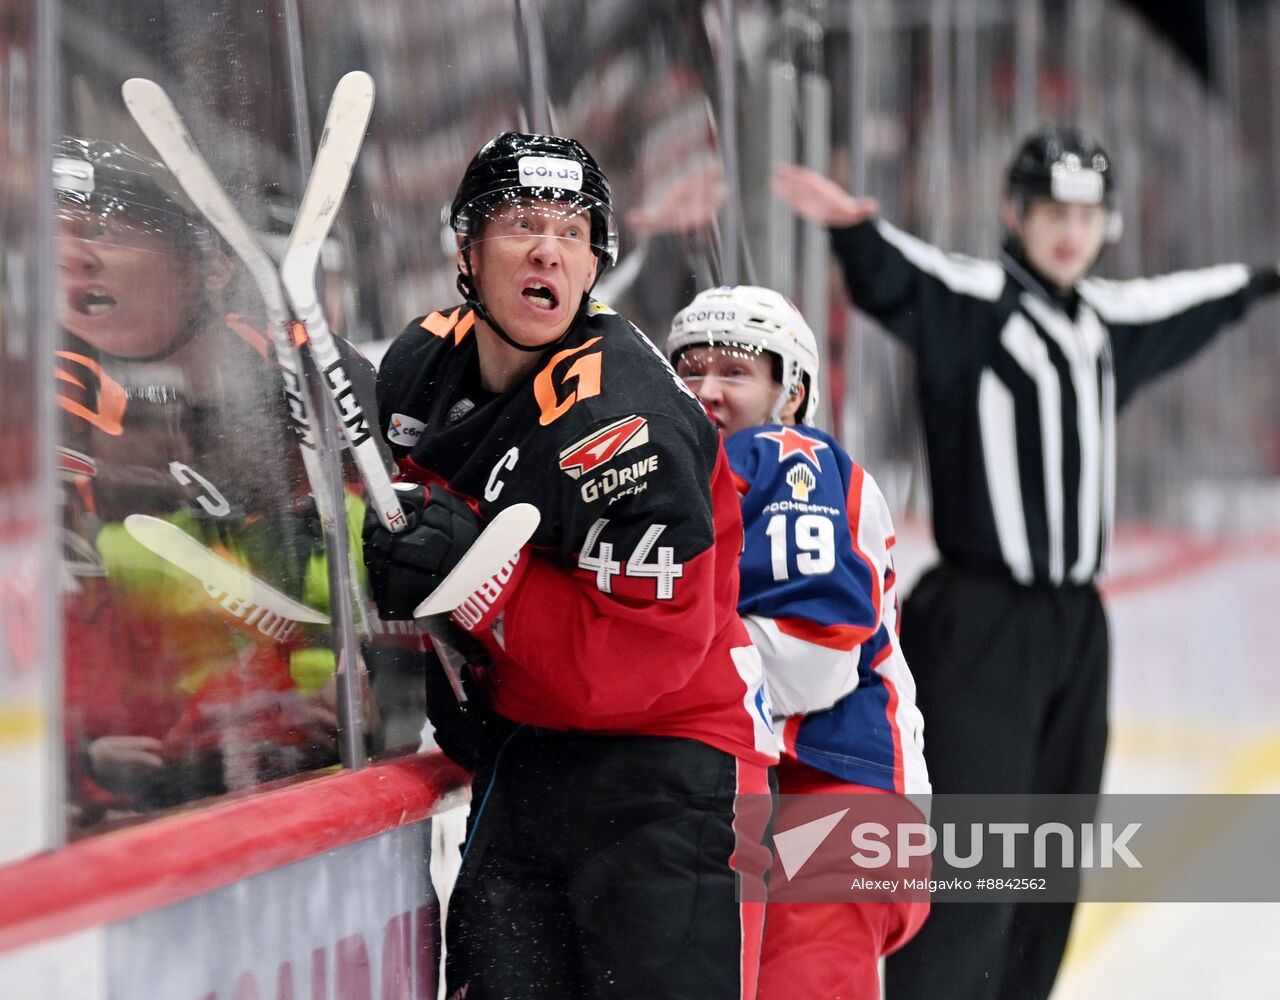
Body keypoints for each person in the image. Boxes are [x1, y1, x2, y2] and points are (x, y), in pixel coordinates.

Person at [771, 125, 1280, 1000]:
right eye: (1051, 209)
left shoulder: (1101, 323)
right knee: (973, 854)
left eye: (1086, 215)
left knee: (1050, 853)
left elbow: (1182, 302)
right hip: (980, 622)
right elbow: (898, 277)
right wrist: (854, 233)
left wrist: (1274, 279)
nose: (1067, 230)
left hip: (1073, 631)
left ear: (1107, 225)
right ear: (1014, 212)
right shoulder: (975, 305)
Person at [363, 132, 778, 1000]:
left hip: (668, 772)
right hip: (524, 757)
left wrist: (475, 580)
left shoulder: (627, 426)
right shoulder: (418, 370)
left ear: (594, 265)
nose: (548, 247)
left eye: (573, 230)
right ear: (466, 252)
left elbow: (638, 670)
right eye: (520, 222)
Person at [53, 137, 349, 823]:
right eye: (54, 237)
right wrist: (76, 759)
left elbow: (399, 584)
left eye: (101, 231)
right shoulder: (38, 402)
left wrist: (364, 688)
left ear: (211, 263)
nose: (73, 257)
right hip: (116, 806)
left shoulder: (303, 385)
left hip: (286, 792)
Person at [667, 284, 930, 1000]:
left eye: (734, 371)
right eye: (688, 370)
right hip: (790, 797)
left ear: (792, 395)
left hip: (836, 789)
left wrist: (649, 664)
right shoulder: (695, 475)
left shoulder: (787, 457)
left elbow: (810, 663)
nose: (705, 391)